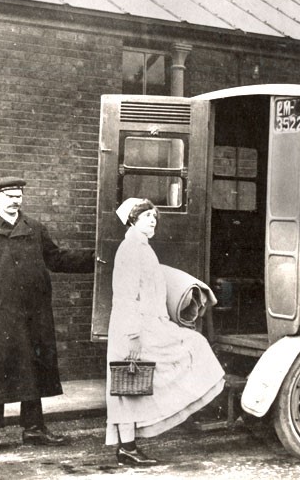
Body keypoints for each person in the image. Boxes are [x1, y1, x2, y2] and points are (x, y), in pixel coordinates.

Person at [0, 177, 95, 452]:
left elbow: (56, 258)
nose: (14, 201)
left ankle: (34, 429)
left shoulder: (34, 229)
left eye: (18, 195)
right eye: (8, 195)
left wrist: (96, 259)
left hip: (34, 316)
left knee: (33, 370)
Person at [106, 198, 224, 467]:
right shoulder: (130, 248)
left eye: (154, 216)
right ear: (133, 220)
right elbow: (125, 296)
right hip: (134, 326)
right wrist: (133, 335)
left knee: (134, 385)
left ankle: (129, 447)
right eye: (146, 216)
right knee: (131, 385)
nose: (152, 220)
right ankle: (127, 448)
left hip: (146, 323)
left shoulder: (142, 247)